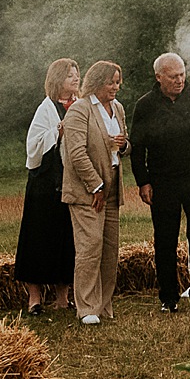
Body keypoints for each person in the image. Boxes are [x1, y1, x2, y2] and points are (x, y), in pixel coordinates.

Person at [130, 51, 190, 311]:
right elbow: (138, 148)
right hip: (162, 181)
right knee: (165, 240)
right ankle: (168, 298)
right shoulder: (145, 105)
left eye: (182, 74)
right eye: (173, 77)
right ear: (159, 77)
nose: (179, 80)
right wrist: (143, 182)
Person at [61, 60, 128, 326]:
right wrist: (95, 185)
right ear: (97, 82)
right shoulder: (79, 110)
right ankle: (86, 307)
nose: (115, 87)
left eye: (117, 82)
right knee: (90, 246)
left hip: (112, 187)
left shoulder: (118, 109)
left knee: (110, 247)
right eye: (110, 82)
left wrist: (122, 146)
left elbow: (121, 145)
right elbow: (76, 153)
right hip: (87, 191)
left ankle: (103, 304)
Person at [13, 58, 79, 314]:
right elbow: (34, 145)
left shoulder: (81, 106)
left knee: (67, 238)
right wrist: (57, 132)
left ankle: (63, 297)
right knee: (38, 239)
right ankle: (35, 298)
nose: (75, 79)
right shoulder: (46, 109)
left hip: (69, 182)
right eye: (69, 75)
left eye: (76, 75)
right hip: (44, 183)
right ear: (57, 80)